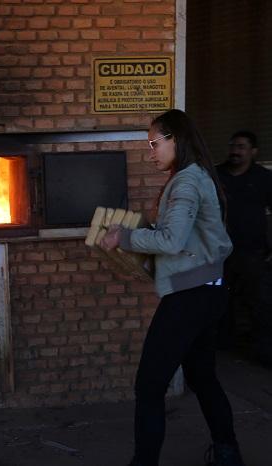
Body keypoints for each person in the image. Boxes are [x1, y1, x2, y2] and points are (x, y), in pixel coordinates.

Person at [101, 109, 245, 465]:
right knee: (202, 375)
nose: (150, 152)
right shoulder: (194, 177)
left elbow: (171, 239)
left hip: (190, 297)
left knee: (149, 385)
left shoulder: (186, 182)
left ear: (175, 140)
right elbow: (181, 237)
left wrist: (126, 236)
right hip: (209, 291)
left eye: (154, 143)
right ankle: (228, 453)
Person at [215, 131, 272, 354]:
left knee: (259, 304)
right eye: (232, 146)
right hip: (220, 255)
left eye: (241, 147)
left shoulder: (263, 178)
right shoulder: (216, 175)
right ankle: (224, 349)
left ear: (253, 151)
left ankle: (262, 352)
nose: (235, 151)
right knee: (221, 304)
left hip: (253, 254)